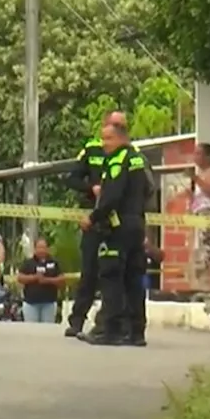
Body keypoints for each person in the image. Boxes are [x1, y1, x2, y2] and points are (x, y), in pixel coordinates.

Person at [79, 122, 151, 347]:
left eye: (108, 139)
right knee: (134, 280)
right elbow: (150, 189)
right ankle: (136, 332)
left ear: (121, 138)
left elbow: (111, 196)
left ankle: (108, 331)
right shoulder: (140, 160)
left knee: (111, 277)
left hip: (117, 227)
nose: (104, 144)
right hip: (137, 224)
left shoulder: (118, 160)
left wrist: (92, 218)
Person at [63, 109, 123, 338]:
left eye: (121, 127)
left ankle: (111, 325)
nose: (117, 130)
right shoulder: (91, 149)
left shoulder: (129, 153)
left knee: (115, 274)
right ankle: (77, 321)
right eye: (114, 125)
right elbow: (72, 179)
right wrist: (91, 188)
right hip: (93, 219)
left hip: (118, 222)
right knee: (89, 273)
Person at [190, 142, 210, 286]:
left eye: (199, 153)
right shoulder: (200, 173)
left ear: (208, 156)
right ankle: (208, 287)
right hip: (200, 214)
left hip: (209, 214)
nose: (195, 157)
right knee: (204, 253)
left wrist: (196, 179)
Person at [17, 237, 63, 323]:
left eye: (44, 247)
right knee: (32, 330)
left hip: (49, 303)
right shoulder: (28, 262)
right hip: (31, 303)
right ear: (35, 249)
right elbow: (20, 278)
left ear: (47, 249)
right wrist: (34, 277)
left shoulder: (54, 262)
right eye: (39, 247)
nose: (41, 250)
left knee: (47, 330)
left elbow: (61, 280)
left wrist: (47, 280)